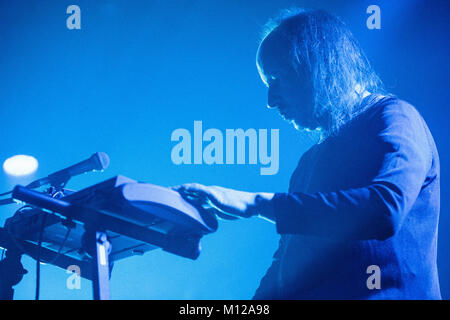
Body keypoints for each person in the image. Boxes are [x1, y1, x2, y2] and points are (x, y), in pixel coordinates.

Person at [172, 8, 441, 299]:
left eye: (277, 79)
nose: (270, 100)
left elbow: (384, 209)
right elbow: (287, 270)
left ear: (319, 66)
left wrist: (255, 203)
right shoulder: (308, 164)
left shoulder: (396, 117)